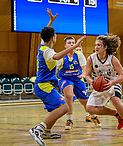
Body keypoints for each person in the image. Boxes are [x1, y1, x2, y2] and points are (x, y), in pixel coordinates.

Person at [29, 8, 85, 146]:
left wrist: (51, 22)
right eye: (55, 35)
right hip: (44, 86)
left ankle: (47, 132)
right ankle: (38, 129)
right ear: (53, 38)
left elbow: (44, 35)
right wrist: (75, 46)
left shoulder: (42, 47)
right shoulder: (48, 52)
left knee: (58, 108)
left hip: (43, 85)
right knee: (64, 107)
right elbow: (57, 56)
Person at [85, 35, 123, 135]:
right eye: (95, 45)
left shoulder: (112, 59)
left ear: (105, 47)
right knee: (89, 108)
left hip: (113, 83)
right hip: (99, 85)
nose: (96, 47)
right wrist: (91, 82)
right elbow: (87, 75)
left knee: (115, 100)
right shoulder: (91, 59)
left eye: (99, 45)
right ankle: (116, 114)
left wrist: (112, 83)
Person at [57, 36, 100, 130]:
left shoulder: (79, 55)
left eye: (73, 42)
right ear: (65, 46)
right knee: (68, 95)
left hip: (78, 79)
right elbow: (55, 69)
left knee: (84, 101)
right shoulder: (61, 56)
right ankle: (69, 120)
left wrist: (84, 73)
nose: (71, 44)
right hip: (65, 78)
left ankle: (93, 116)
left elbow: (84, 66)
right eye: (69, 43)